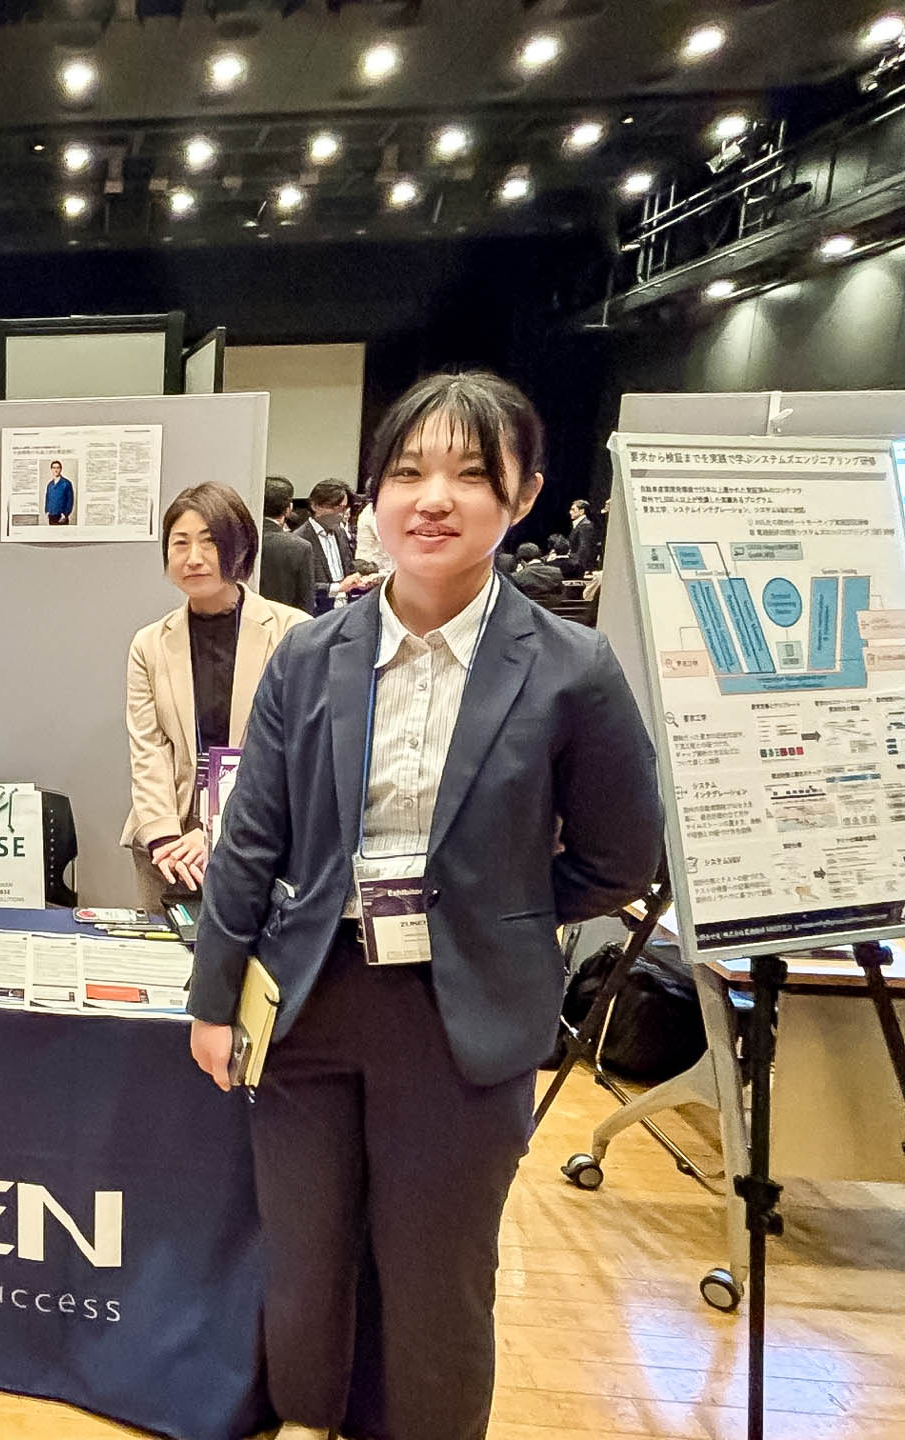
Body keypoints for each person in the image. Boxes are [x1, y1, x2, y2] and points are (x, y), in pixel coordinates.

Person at [186, 371, 661, 1440]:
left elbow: (622, 858)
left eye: (470, 474)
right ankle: (307, 1420)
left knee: (437, 1275)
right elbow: (252, 840)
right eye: (407, 472)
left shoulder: (571, 668)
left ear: (523, 494)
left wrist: (498, 911)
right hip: (309, 1004)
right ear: (374, 495)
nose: (433, 498)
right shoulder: (312, 654)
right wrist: (214, 999)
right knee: (305, 1260)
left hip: (464, 1023)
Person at [123, 483, 308, 911]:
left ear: (240, 548)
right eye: (180, 543)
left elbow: (293, 753)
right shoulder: (149, 644)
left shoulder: (293, 633)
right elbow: (147, 748)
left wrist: (218, 830)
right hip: (169, 846)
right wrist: (164, 837)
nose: (194, 558)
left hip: (259, 838)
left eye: (209, 542)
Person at [295, 480, 375, 613]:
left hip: (345, 609)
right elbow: (302, 587)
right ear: (315, 506)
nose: (339, 514)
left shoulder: (340, 533)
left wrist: (360, 581)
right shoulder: (299, 539)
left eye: (343, 509)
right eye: (334, 508)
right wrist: (338, 587)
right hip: (318, 612)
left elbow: (348, 569)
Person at [255, 476, 317, 613]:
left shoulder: (241, 539)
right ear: (289, 508)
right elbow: (305, 602)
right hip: (286, 621)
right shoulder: (300, 547)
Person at [568, 498, 600, 572]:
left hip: (579, 566)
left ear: (581, 511)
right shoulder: (581, 525)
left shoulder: (585, 526)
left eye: (573, 510)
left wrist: (571, 562)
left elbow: (584, 548)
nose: (570, 512)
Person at [45, 460, 74, 525]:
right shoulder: (50, 484)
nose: (56, 470)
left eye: (58, 468)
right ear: (51, 469)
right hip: (51, 515)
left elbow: (70, 500)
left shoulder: (66, 483)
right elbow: (47, 498)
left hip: (61, 516)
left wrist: (65, 514)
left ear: (61, 469)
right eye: (54, 468)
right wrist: (47, 511)